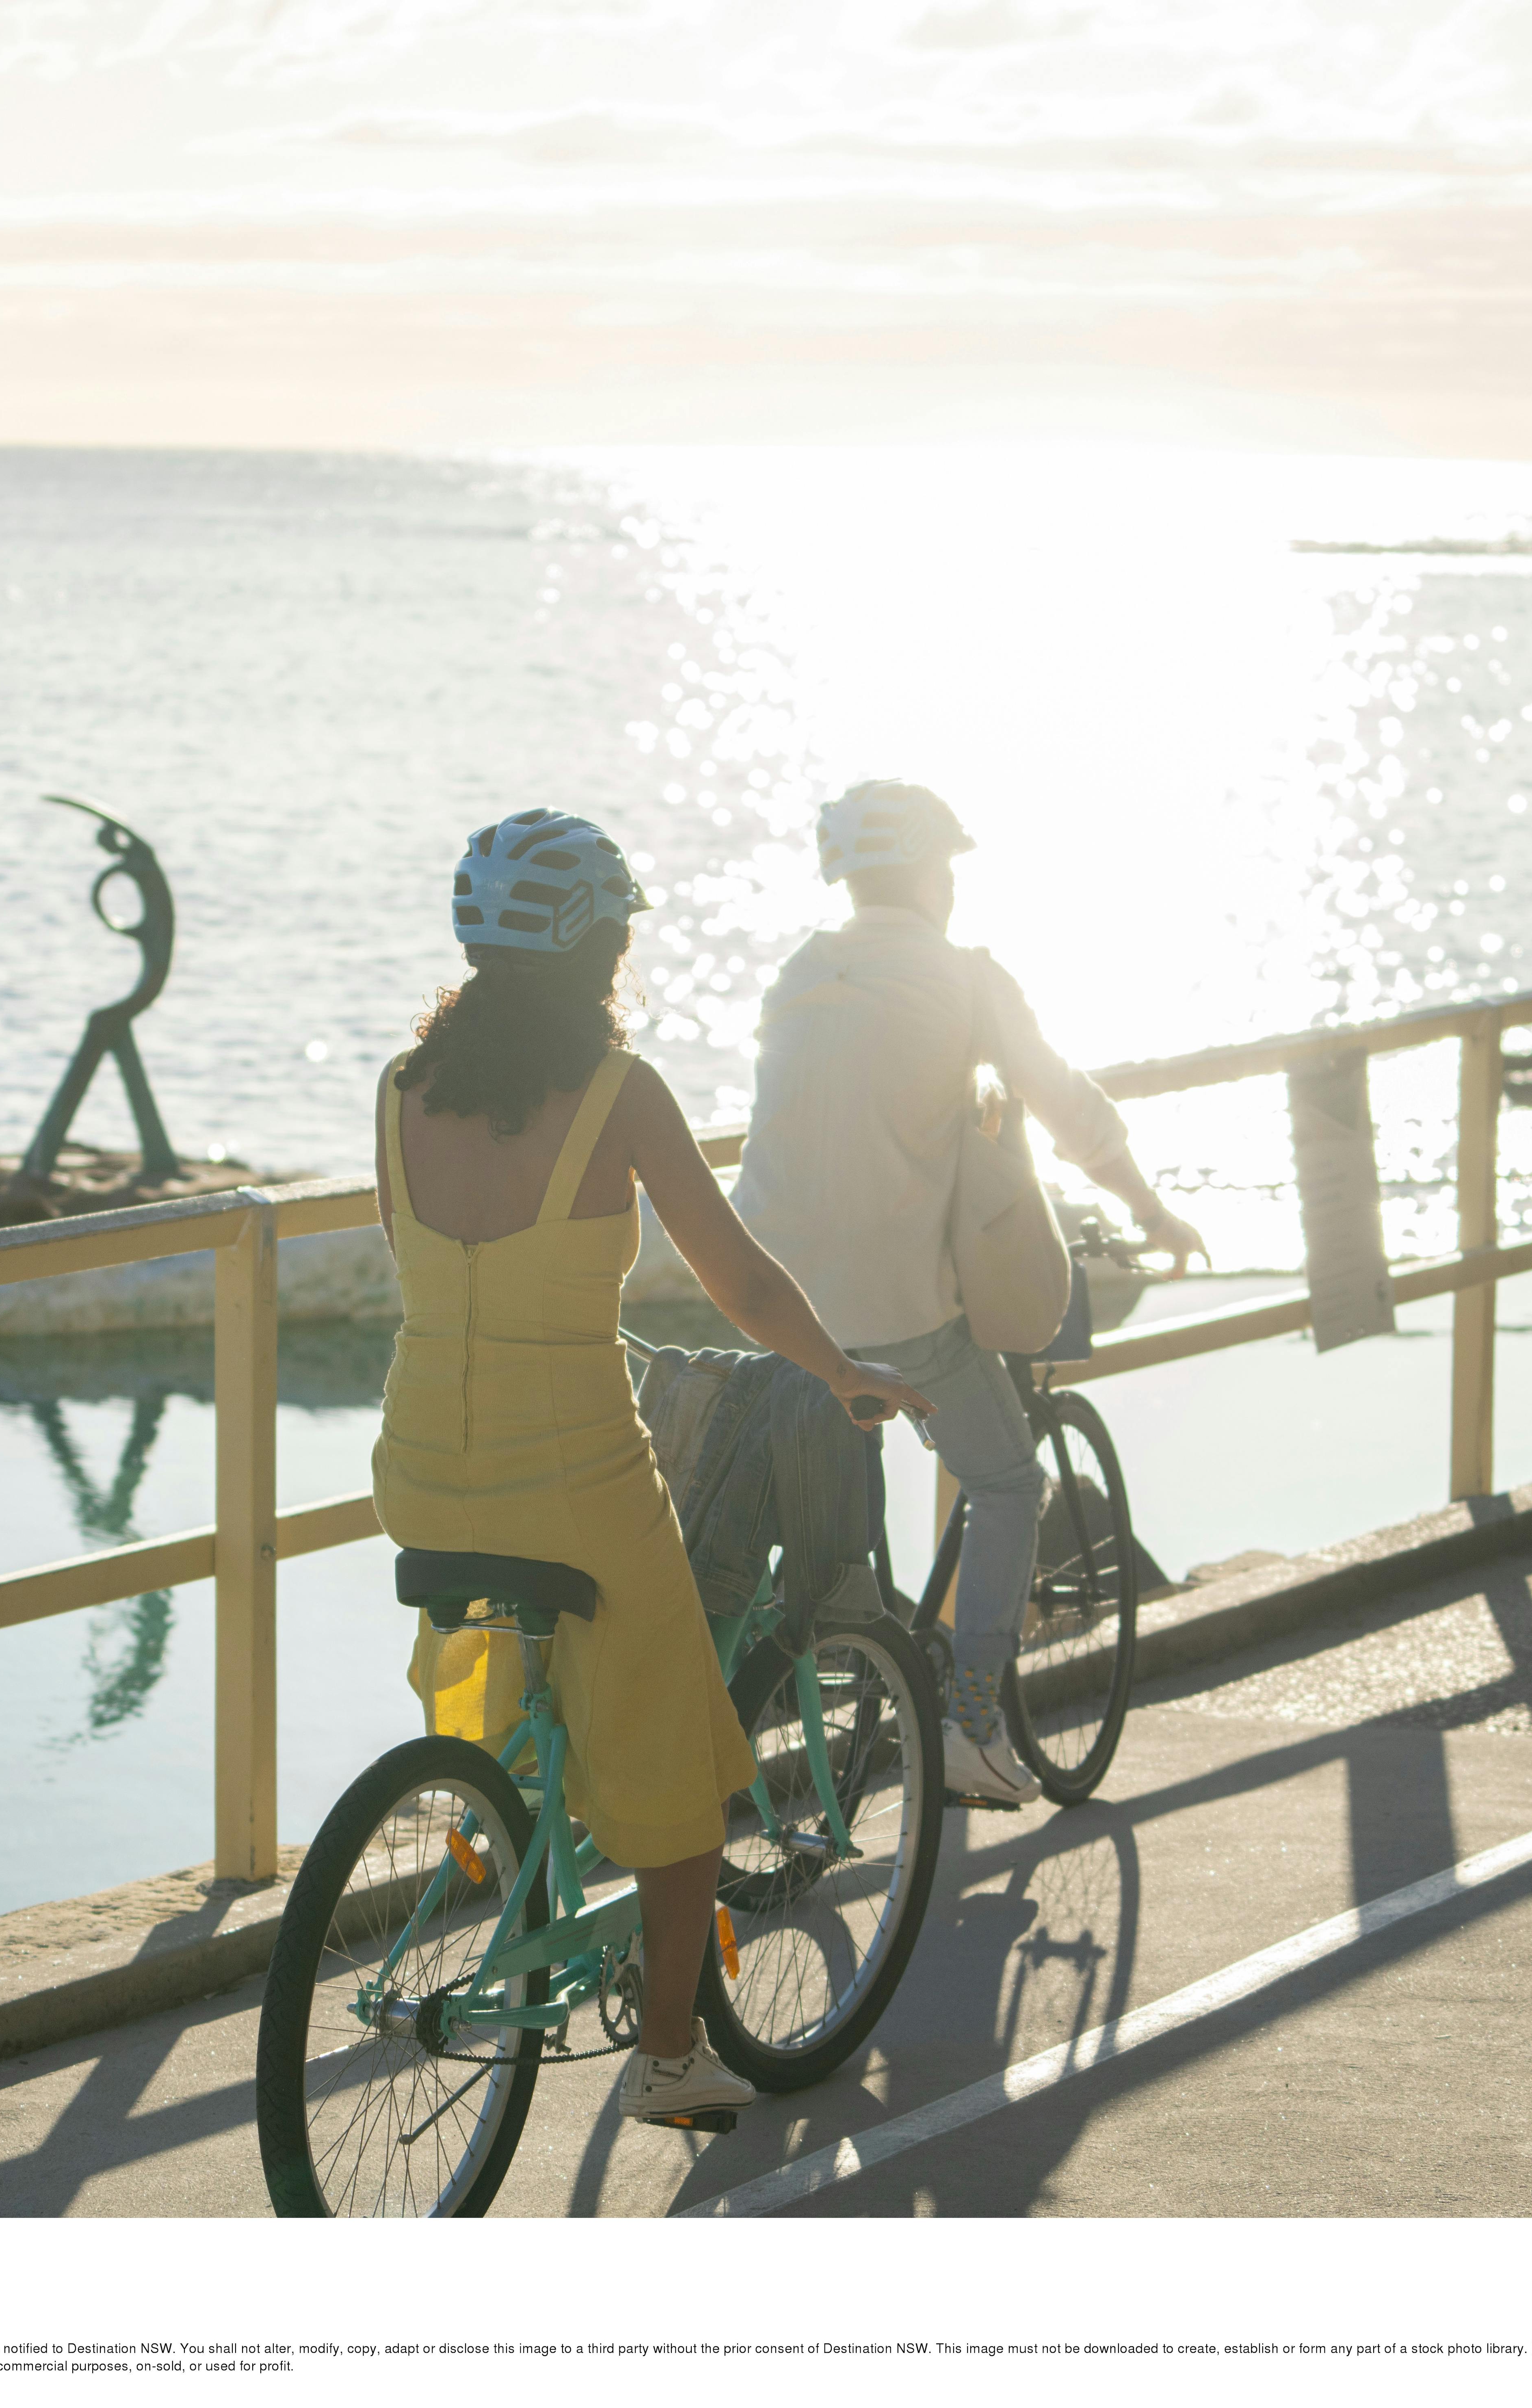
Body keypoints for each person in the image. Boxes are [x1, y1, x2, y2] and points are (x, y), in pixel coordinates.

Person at [371, 806, 937, 2126]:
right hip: (571, 1483)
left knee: (547, 1695)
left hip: (416, 1468)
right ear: (598, 951)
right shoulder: (619, 1095)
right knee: (686, 1785)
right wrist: (840, 1371)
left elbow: (438, 1266)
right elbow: (736, 1278)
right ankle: (672, 2056)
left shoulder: (401, 1091)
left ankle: (521, 1838)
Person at [729, 779, 1205, 1807]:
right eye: (948, 867)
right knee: (1005, 1484)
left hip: (760, 1292)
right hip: (894, 1306)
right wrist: (1153, 1212)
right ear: (933, 873)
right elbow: (1067, 1106)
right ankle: (973, 1719)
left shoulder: (799, 970)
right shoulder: (964, 976)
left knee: (810, 1523)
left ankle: (804, 1687)